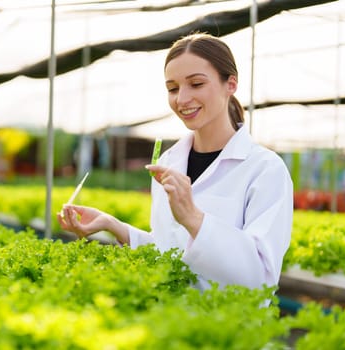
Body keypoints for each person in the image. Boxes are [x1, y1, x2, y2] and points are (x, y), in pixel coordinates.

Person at [57, 33, 293, 292]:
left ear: (231, 84)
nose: (181, 99)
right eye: (173, 88)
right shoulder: (170, 162)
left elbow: (259, 276)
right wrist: (113, 225)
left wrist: (193, 218)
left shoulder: (265, 170)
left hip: (229, 327)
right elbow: (167, 251)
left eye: (196, 84)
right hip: (168, 320)